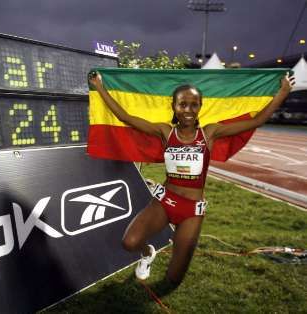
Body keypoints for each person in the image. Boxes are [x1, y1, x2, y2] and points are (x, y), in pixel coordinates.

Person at [88, 71, 295, 293]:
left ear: (200, 106)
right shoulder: (165, 131)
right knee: (129, 242)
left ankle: (172, 267)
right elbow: (125, 118)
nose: (188, 110)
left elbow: (257, 120)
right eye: (183, 104)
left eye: (194, 105)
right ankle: (148, 253)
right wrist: (100, 87)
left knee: (174, 279)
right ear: (174, 106)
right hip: (165, 202)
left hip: (191, 211)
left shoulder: (210, 133)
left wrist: (282, 92)